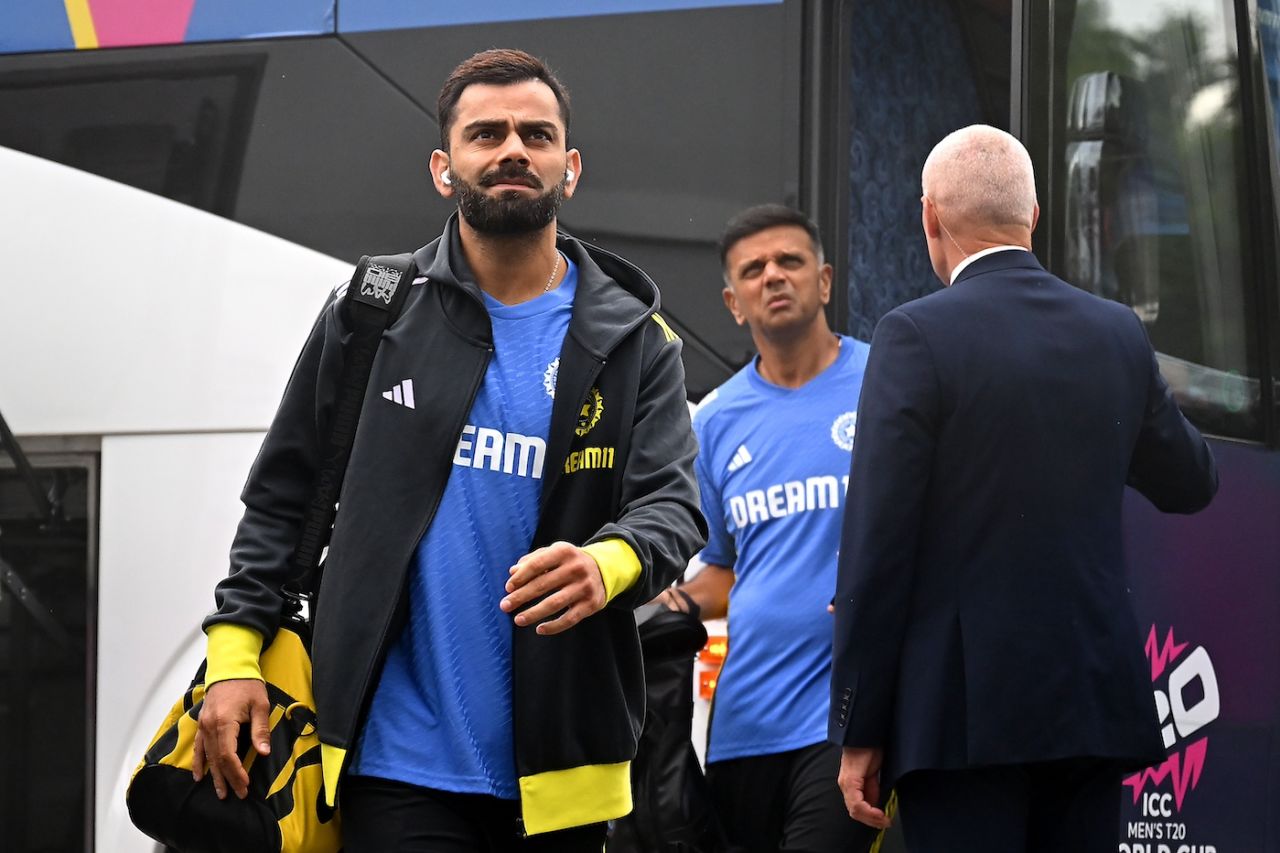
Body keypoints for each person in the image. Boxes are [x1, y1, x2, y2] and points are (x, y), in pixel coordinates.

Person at [191, 48, 706, 852]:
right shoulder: (371, 310)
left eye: (537, 135)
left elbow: (673, 508)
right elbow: (283, 496)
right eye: (486, 133)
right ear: (443, 168)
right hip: (393, 765)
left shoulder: (637, 339)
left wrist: (605, 563)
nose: (513, 150)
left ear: (569, 169)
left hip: (563, 776)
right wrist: (233, 654)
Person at [828, 125, 1219, 853]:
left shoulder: (913, 335)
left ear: (929, 217)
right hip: (1091, 705)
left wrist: (860, 727)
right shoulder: (1117, 333)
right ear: (1033, 216)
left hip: (962, 720)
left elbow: (878, 544)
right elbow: (1192, 481)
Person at [655, 204, 876, 852]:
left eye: (790, 261)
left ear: (824, 281)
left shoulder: (885, 384)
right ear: (733, 302)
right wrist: (662, 605)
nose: (773, 276)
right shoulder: (715, 420)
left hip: (844, 721)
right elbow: (726, 571)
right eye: (753, 270)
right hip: (743, 725)